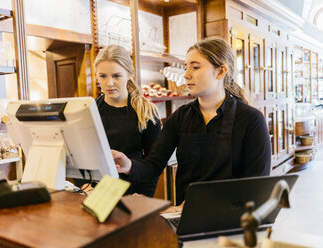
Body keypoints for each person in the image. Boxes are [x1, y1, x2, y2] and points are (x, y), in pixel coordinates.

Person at [112, 38, 271, 205]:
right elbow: (153, 165)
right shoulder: (180, 117)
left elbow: (256, 187)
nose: (186, 74)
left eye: (195, 67)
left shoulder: (251, 120)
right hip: (186, 217)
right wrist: (128, 165)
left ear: (221, 71)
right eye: (186, 67)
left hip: (233, 220)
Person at [94, 44, 161, 197]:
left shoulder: (146, 112)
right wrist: (83, 186)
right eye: (103, 76)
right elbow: (82, 157)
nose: (109, 83)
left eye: (116, 76)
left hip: (134, 192)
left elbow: (154, 163)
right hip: (98, 194)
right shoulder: (89, 110)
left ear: (130, 74)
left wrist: (145, 196)